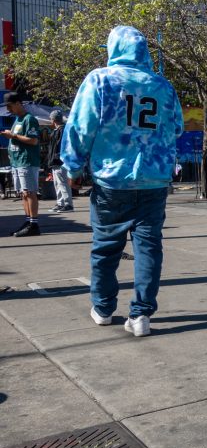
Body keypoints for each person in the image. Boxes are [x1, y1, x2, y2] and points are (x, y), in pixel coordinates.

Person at [61, 25, 184, 337]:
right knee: (149, 248)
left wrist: (72, 166)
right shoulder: (163, 86)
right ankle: (142, 315)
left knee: (105, 247)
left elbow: (80, 127)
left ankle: (103, 308)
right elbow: (177, 128)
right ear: (144, 52)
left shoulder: (100, 80)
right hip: (154, 179)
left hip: (112, 179)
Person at [1, 92, 42, 236]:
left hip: (27, 161)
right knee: (24, 193)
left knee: (30, 192)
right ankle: (28, 220)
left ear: (18, 103)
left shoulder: (29, 119)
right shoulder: (17, 119)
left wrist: (12, 136)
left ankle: (34, 224)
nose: (8, 109)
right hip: (17, 161)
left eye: (10, 106)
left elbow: (33, 140)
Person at [46, 109, 73, 213]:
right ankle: (60, 203)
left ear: (53, 120)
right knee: (58, 183)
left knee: (62, 183)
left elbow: (60, 147)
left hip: (59, 161)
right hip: (56, 161)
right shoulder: (58, 130)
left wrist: (57, 157)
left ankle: (68, 204)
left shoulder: (62, 131)